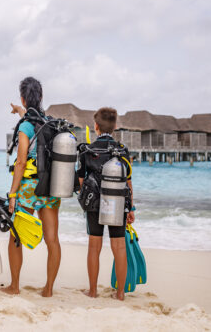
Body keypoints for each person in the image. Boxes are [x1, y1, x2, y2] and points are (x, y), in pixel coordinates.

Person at [3, 76, 62, 297]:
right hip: (49, 186)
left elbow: (20, 162)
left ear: (22, 97)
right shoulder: (48, 123)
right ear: (42, 97)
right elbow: (30, 117)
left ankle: (15, 286)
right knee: (52, 239)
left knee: (16, 236)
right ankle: (48, 289)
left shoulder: (25, 127)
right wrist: (20, 110)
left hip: (28, 187)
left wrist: (12, 193)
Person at [77, 107, 136, 301]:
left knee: (94, 247)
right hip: (118, 201)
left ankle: (93, 291)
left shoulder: (88, 150)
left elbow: (80, 180)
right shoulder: (122, 150)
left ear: (96, 126)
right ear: (115, 126)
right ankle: (120, 294)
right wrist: (131, 208)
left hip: (94, 203)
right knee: (119, 248)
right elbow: (128, 182)